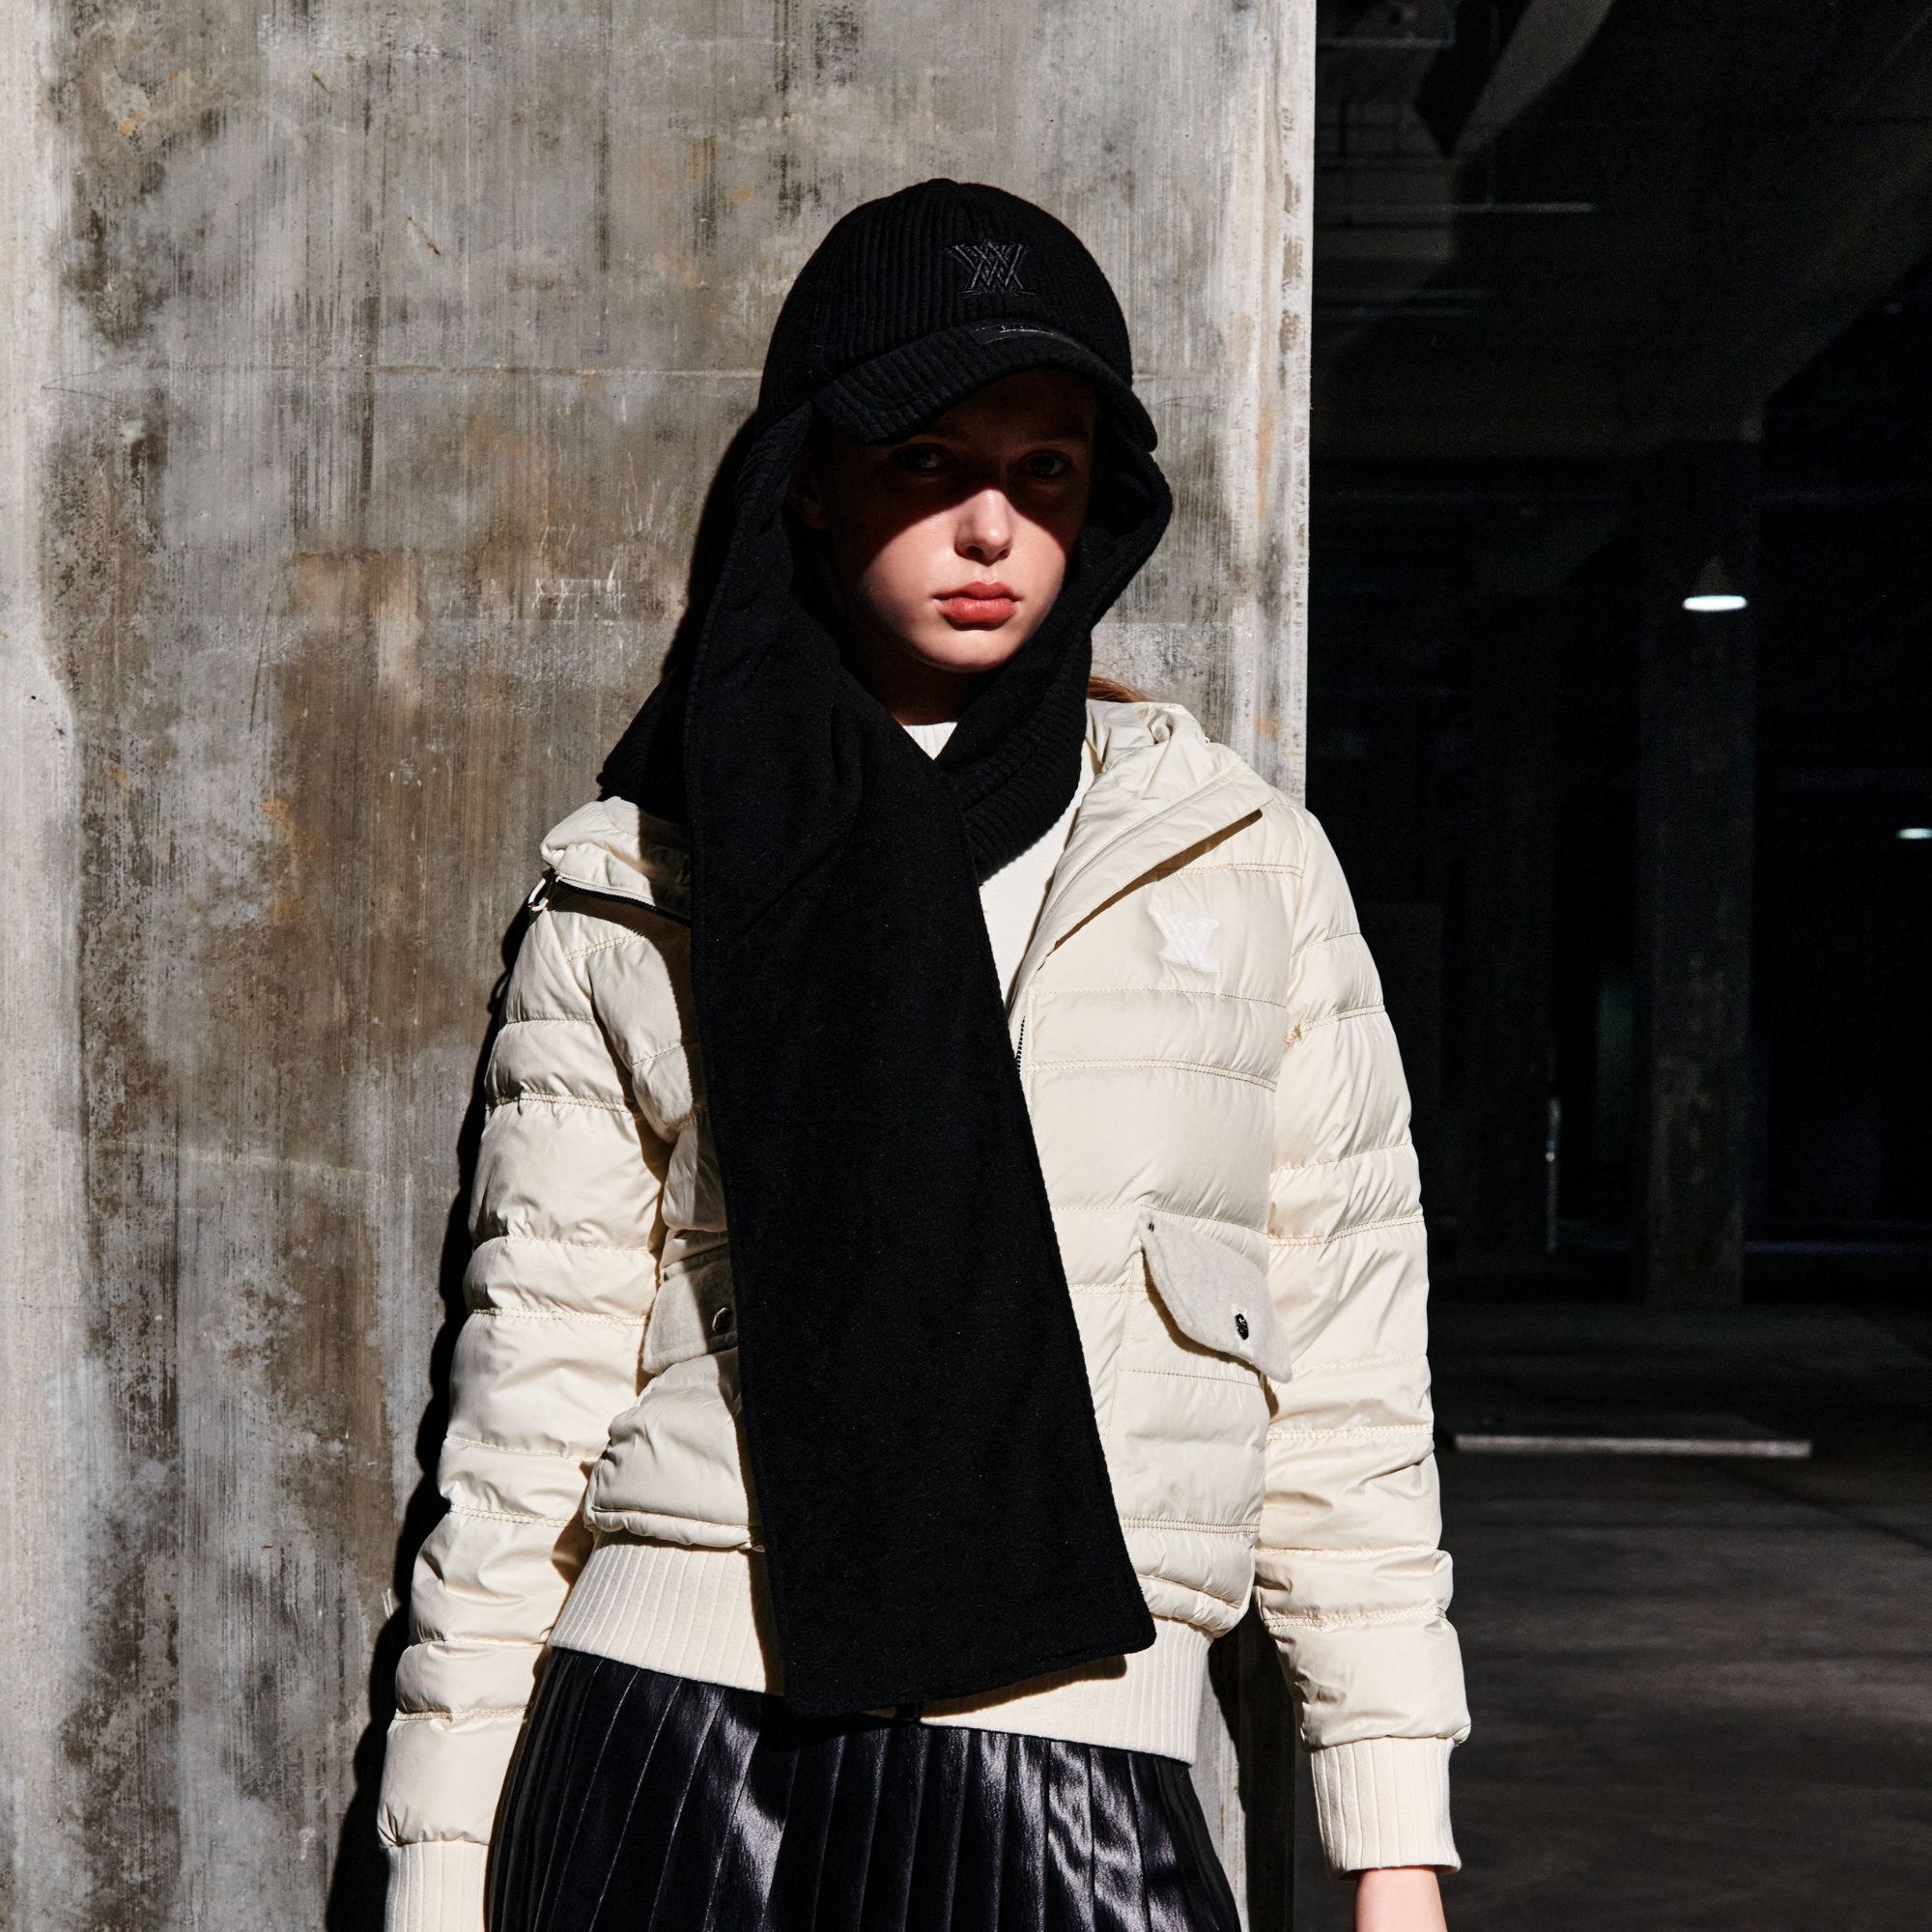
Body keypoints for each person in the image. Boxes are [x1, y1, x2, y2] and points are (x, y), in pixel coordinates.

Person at [377, 179, 1469, 1932]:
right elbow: (531, 1393)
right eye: (927, 463)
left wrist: (1390, 1837)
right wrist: (439, 1860)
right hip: (675, 1743)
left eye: (1044, 473)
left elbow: (1347, 1381)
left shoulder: (1244, 867)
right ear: (811, 482)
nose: (989, 529)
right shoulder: (643, 871)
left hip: (1079, 1754)